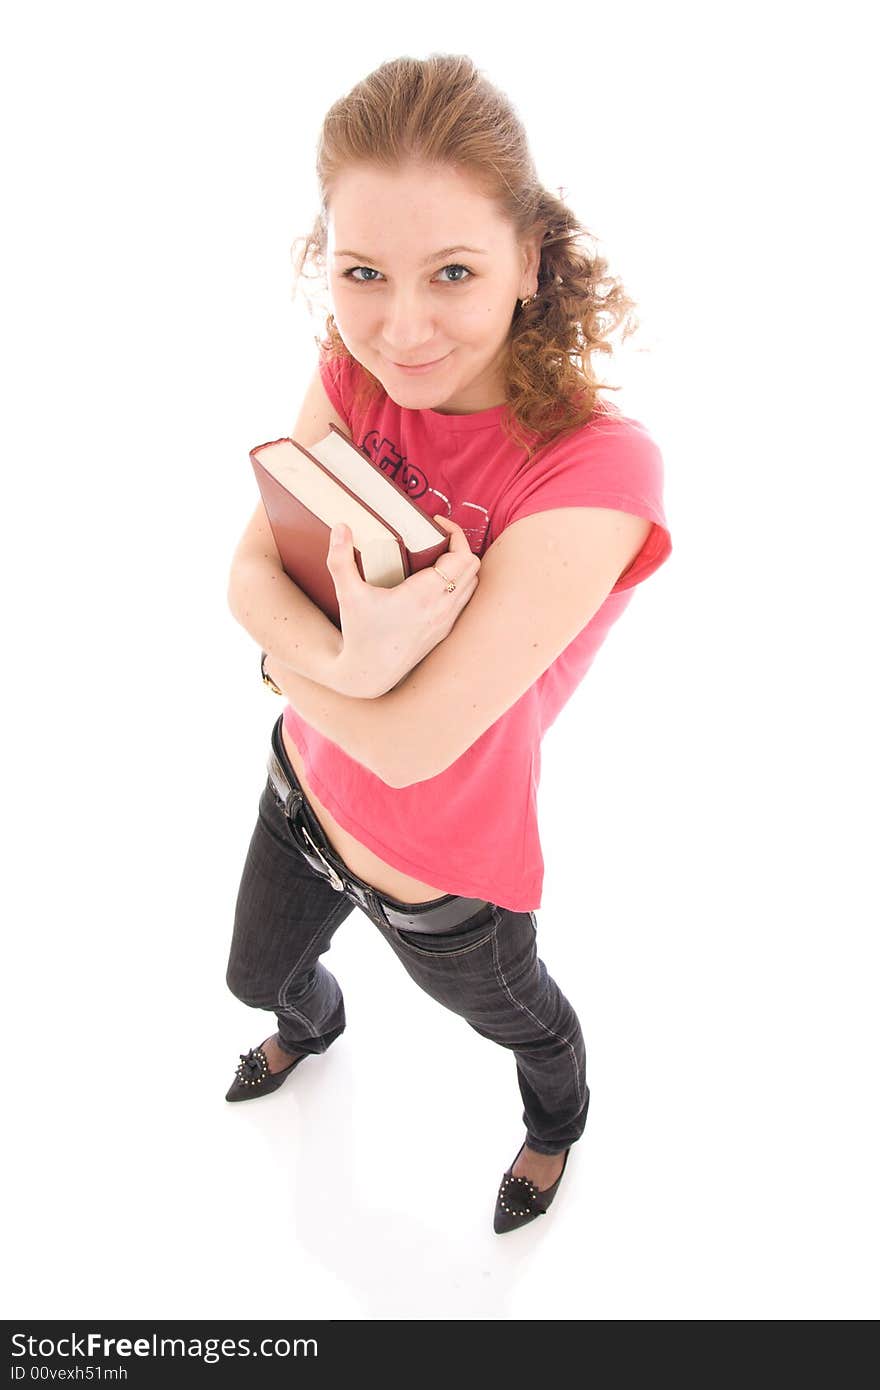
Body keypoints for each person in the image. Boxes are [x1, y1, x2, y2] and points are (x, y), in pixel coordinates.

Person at [224, 53, 672, 1234]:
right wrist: (341, 671)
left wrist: (292, 662)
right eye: (362, 271)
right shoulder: (351, 365)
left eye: (454, 272)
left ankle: (557, 1123)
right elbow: (248, 571)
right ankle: (310, 1027)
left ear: (530, 262)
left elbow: (421, 748)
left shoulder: (594, 470)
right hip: (299, 794)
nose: (399, 326)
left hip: (440, 884)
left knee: (521, 1021)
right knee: (252, 978)